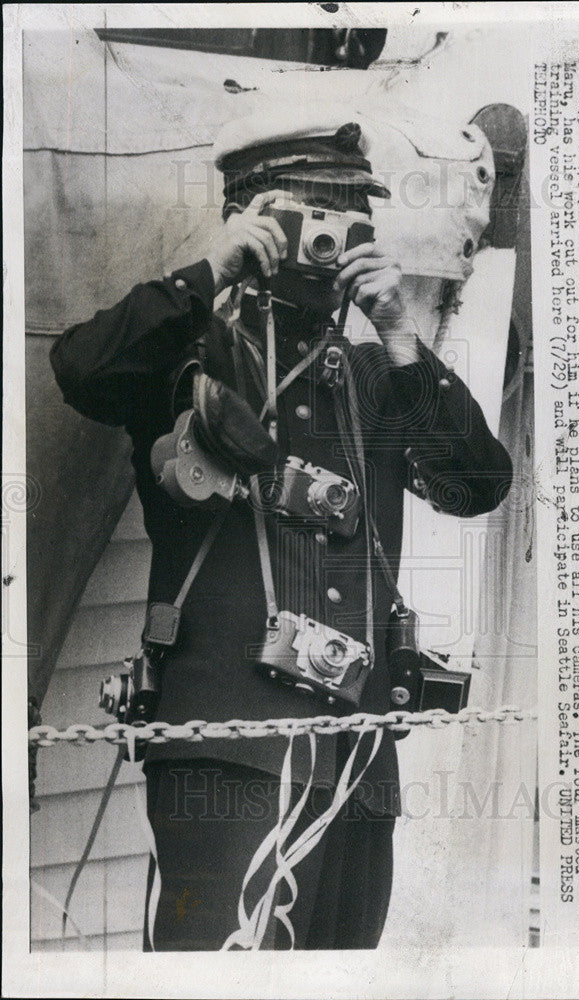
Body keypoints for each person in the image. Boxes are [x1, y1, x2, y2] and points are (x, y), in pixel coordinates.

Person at [50, 110, 513, 951]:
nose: (332, 238)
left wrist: (403, 335)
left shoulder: (377, 371)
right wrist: (208, 270)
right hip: (225, 754)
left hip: (359, 755)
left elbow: (475, 484)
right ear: (253, 219)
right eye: (310, 215)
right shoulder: (188, 354)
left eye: (352, 217)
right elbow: (79, 368)